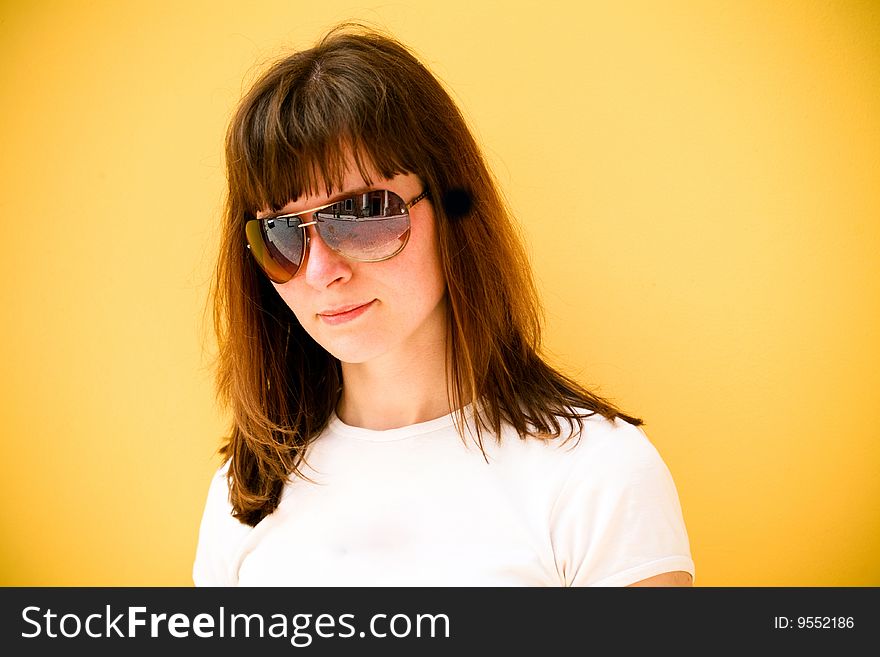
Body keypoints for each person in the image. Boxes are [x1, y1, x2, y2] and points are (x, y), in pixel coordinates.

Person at [193, 24, 695, 587]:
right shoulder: (248, 491)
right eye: (281, 233)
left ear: (453, 208)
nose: (320, 270)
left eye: (362, 214)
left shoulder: (597, 474)